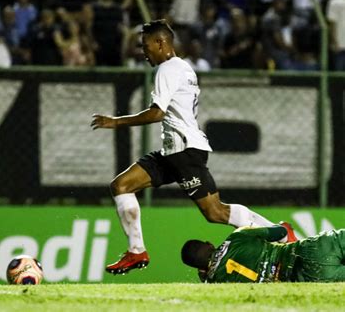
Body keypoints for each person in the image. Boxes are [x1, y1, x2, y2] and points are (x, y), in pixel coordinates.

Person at [90, 19, 293, 275]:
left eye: (146, 45)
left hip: (184, 152)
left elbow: (157, 114)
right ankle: (136, 251)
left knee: (215, 212)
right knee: (121, 186)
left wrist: (116, 121)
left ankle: (282, 234)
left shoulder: (167, 69)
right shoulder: (184, 68)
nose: (143, 51)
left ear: (161, 42)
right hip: (172, 152)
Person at [181, 225, 345, 283]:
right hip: (314, 248)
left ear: (200, 270)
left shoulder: (215, 284)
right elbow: (281, 232)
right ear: (209, 244)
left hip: (308, 275)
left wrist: (207, 277)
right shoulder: (238, 236)